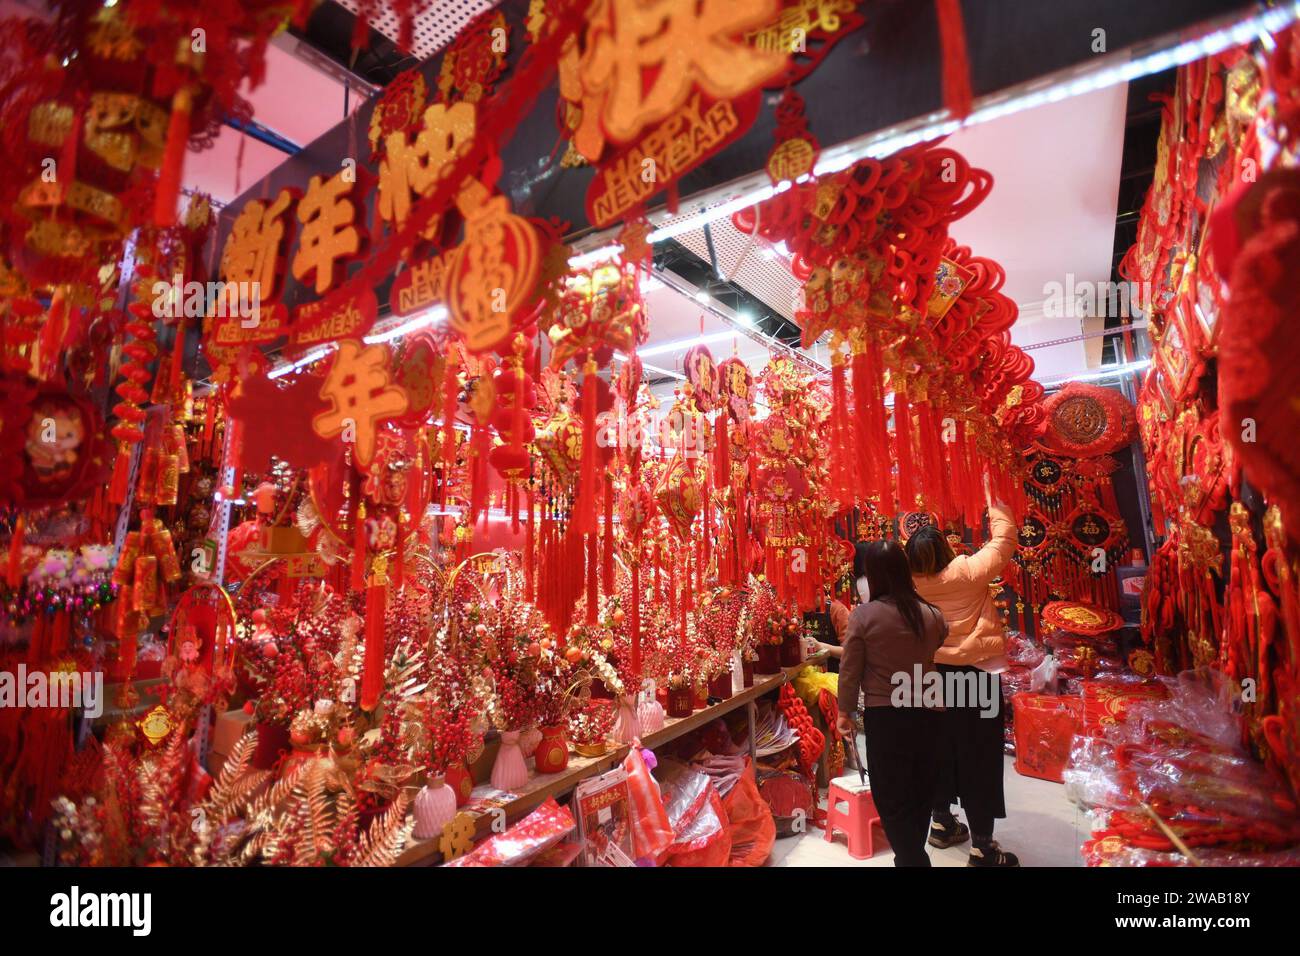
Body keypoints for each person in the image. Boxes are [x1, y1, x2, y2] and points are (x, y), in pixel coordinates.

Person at [905, 487, 1020, 868]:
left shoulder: (909, 584)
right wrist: (993, 495)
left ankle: (941, 823)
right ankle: (983, 848)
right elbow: (1003, 540)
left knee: (936, 750)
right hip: (977, 676)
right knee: (979, 758)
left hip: (931, 679)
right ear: (945, 548)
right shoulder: (968, 571)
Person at [836, 540, 947, 867]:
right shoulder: (931, 614)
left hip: (887, 718)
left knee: (890, 795)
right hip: (931, 716)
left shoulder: (864, 616)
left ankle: (913, 860)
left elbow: (850, 670)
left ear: (873, 576)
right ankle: (911, 858)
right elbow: (940, 638)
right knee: (920, 792)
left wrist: (845, 712)